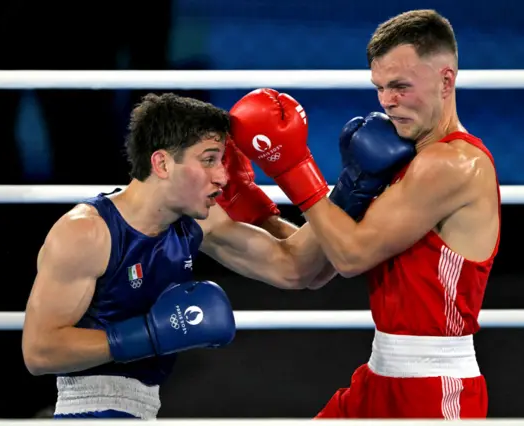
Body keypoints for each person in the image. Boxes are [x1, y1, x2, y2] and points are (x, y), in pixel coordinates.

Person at [21, 91, 387, 419]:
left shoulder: (197, 222)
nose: (223, 178)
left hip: (146, 407)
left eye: (223, 162)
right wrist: (150, 334)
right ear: (162, 164)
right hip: (86, 408)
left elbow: (294, 268)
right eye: (210, 160)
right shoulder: (87, 231)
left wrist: (348, 190)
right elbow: (39, 352)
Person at [229, 9, 499, 419]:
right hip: (379, 375)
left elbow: (350, 256)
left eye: (401, 87)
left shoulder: (453, 163)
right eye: (381, 87)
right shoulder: (401, 158)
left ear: (446, 80)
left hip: (434, 389)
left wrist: (292, 167)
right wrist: (253, 208)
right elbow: (319, 260)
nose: (388, 101)